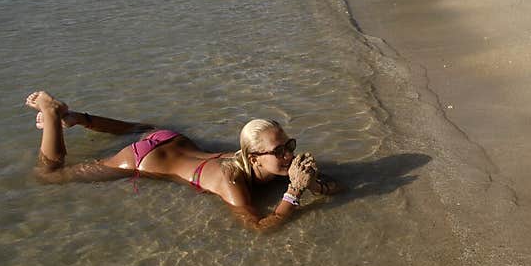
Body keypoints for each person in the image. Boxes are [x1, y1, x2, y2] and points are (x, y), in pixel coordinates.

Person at [25, 90, 339, 231]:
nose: (288, 154)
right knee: (51, 176)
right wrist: (293, 194)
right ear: (254, 157)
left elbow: (335, 188)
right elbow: (260, 228)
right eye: (280, 150)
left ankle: (78, 117)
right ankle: (52, 115)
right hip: (144, 160)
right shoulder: (232, 180)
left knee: (141, 128)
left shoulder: (280, 163)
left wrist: (313, 184)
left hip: (171, 139)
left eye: (289, 145)